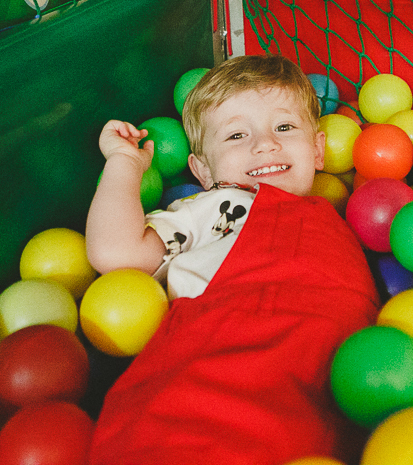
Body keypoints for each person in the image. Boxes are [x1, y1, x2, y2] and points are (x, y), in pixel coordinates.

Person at [85, 55, 380, 465]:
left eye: (284, 127)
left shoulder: (346, 216)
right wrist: (124, 165)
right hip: (218, 376)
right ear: (203, 172)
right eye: (236, 136)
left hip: (336, 381)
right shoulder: (215, 206)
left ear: (317, 150)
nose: (264, 143)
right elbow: (115, 253)